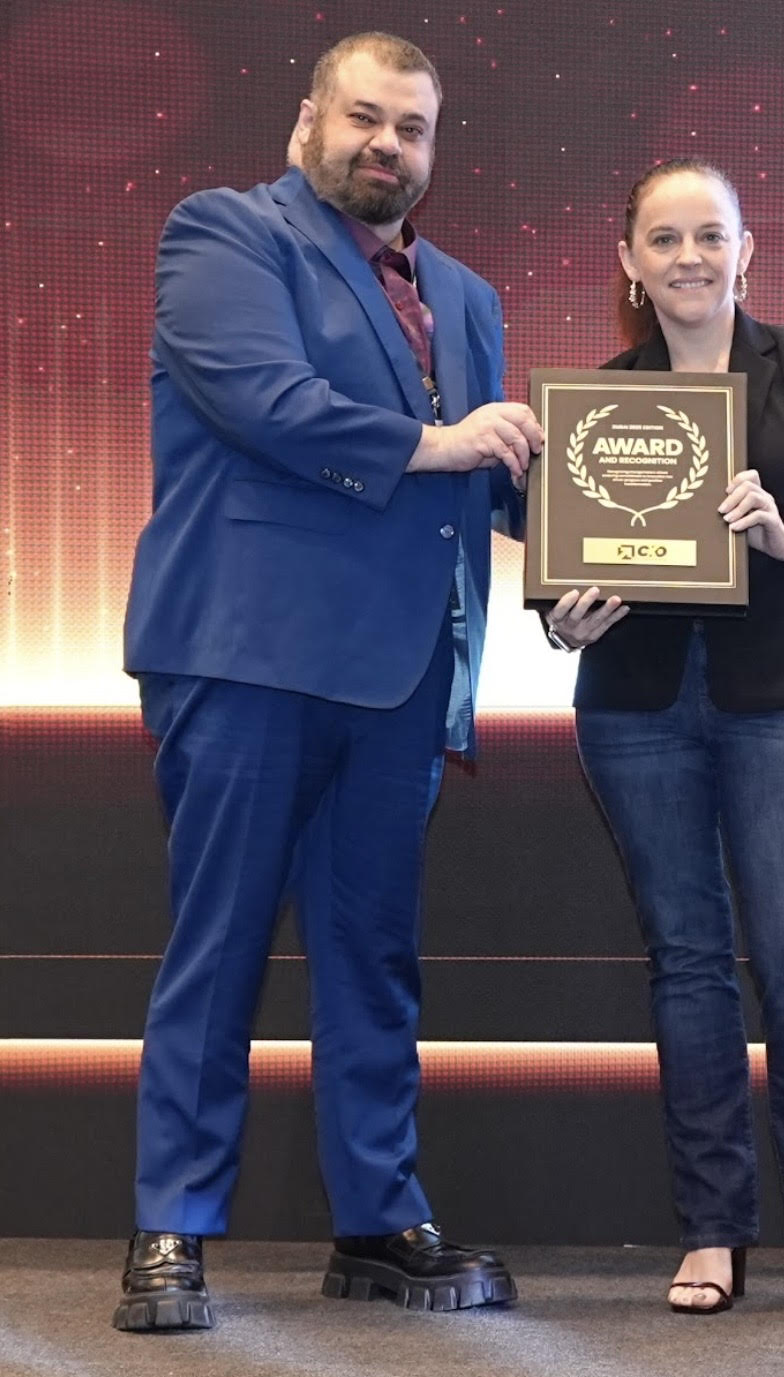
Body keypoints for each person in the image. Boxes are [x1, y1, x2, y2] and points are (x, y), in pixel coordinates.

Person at [116, 31, 542, 1331]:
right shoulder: (224, 234)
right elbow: (266, 401)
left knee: (373, 958)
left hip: (401, 674)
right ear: (308, 122)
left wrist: (601, 561)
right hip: (246, 650)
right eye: (363, 118)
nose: (385, 146)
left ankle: (377, 1220)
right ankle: (171, 1226)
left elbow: (491, 481)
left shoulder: (465, 295)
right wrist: (445, 443)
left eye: (410, 129)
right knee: (222, 945)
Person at [544, 159, 784, 1316]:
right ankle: (711, 1229)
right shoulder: (595, 400)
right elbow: (560, 586)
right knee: (688, 966)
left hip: (781, 698)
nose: (688, 257)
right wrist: (564, 620)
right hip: (635, 709)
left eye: (710, 235)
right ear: (629, 262)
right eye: (663, 238)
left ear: (745, 251)